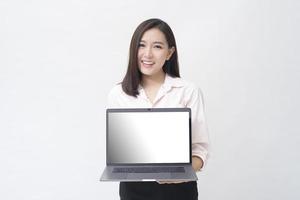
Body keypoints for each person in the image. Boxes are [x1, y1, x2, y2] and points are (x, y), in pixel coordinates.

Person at [107, 18, 209, 200]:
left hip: (180, 190)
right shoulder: (118, 94)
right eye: (141, 45)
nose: (147, 54)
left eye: (157, 47)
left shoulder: (187, 91)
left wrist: (177, 174)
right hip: (133, 191)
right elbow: (119, 149)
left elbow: (200, 151)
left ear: (169, 53)